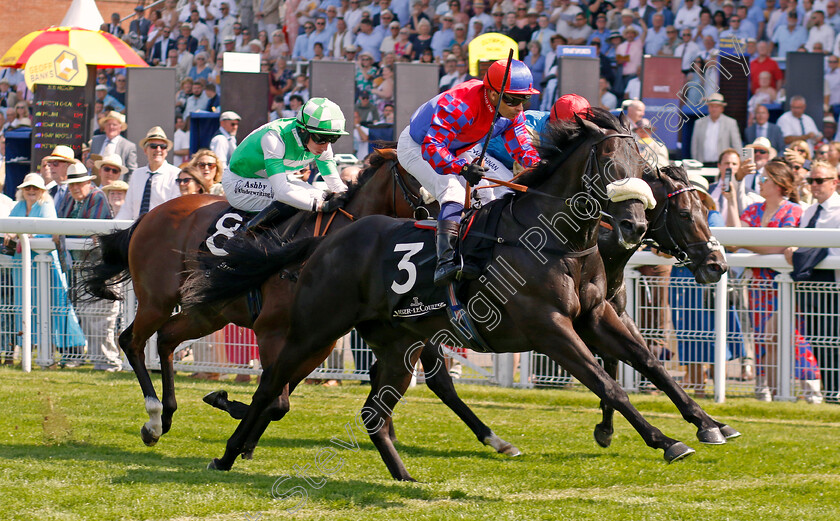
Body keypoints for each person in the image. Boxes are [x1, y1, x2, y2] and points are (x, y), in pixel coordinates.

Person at [397, 59, 540, 285]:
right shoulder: (459, 104)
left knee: (488, 195)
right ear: (493, 94)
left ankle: (479, 253)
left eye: (525, 99)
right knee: (452, 190)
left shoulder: (511, 112)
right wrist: (462, 168)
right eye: (513, 99)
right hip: (418, 145)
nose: (520, 107)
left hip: (455, 147)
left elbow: (522, 147)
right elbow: (433, 148)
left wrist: (542, 167)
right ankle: (444, 262)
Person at [723, 160, 821, 401]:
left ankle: (811, 387)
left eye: (765, 178)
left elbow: (776, 246)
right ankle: (771, 389)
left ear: (778, 183)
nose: (761, 183)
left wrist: (747, 241)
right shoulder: (755, 209)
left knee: (791, 334)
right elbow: (734, 240)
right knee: (763, 337)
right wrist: (732, 200)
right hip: (758, 286)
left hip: (784, 285)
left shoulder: (794, 211)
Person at [221, 97, 349, 237]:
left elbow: (337, 186)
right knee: (302, 196)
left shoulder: (321, 145)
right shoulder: (274, 137)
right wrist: (321, 206)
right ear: (303, 131)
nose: (325, 146)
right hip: (238, 183)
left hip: (265, 181)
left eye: (332, 139)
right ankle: (241, 238)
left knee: (319, 193)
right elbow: (282, 192)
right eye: (321, 138)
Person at [670, 172, 744, 397]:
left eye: (698, 194)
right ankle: (697, 386)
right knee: (687, 333)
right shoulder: (676, 216)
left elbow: (713, 243)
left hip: (708, 286)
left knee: (713, 334)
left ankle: (716, 386)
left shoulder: (712, 216)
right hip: (683, 282)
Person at [3, 174, 86, 368]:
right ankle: (29, 355)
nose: (31, 191)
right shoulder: (19, 206)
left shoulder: (46, 206)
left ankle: (59, 353)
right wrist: (11, 233)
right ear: (22, 189)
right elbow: (9, 226)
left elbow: (49, 230)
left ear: (42, 191)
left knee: (53, 307)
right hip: (22, 265)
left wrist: (23, 233)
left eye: (35, 188)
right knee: (23, 307)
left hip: (46, 266)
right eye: (28, 188)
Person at [784, 160, 840, 403]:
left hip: (833, 284)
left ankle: (835, 390)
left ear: (834, 182)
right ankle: (830, 391)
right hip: (810, 283)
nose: (814, 185)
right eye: (812, 180)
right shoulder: (808, 211)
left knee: (833, 338)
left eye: (820, 181)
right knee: (818, 339)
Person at [57, 164, 121, 371]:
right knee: (86, 315)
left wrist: (65, 234)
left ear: (88, 182)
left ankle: (109, 362)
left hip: (101, 268)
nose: (75, 188)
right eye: (72, 184)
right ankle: (98, 360)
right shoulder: (70, 199)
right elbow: (58, 226)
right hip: (79, 266)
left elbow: (89, 229)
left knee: (102, 317)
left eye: (78, 183)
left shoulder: (97, 197)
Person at [115, 127, 181, 220]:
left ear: (166, 151)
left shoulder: (175, 174)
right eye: (153, 146)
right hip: (136, 229)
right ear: (145, 150)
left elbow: (174, 210)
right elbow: (127, 209)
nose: (158, 150)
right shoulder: (137, 174)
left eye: (162, 146)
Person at [690, 93, 742, 165]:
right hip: (702, 164)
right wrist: (695, 162)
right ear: (708, 107)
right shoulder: (699, 123)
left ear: (722, 108)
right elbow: (694, 145)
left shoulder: (730, 123)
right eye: (711, 106)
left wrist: (737, 163)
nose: (714, 109)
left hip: (723, 164)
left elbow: (736, 145)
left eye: (717, 106)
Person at [89, 111, 138, 180]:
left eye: (114, 125)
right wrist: (87, 162)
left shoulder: (128, 146)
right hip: (95, 184)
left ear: (120, 128)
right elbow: (88, 160)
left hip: (116, 187)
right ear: (104, 127)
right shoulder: (95, 140)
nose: (111, 127)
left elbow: (132, 171)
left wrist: (127, 189)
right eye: (108, 124)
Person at [41, 145, 77, 210]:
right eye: (49, 163)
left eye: (55, 163)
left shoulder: (77, 191)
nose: (51, 167)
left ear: (68, 166)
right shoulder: (49, 191)